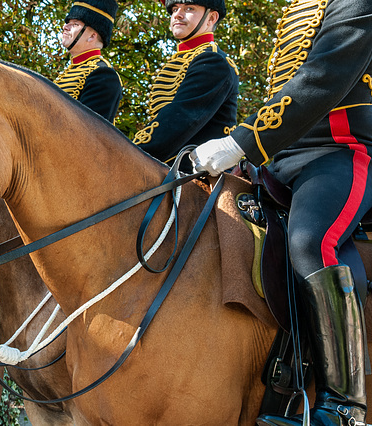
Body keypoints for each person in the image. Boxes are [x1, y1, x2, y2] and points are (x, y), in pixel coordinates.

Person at [190, 1, 372, 424]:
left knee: (311, 240)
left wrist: (241, 141)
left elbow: (324, 79)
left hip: (341, 151)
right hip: (279, 160)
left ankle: (345, 406)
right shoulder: (298, 8)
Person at [133, 0, 239, 167]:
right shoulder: (184, 59)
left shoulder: (213, 61)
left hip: (197, 175)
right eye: (175, 9)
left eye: (189, 8)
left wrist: (128, 152)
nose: (177, 14)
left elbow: (178, 121)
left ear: (211, 18)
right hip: (165, 167)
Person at [54, 0, 122, 123]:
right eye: (67, 22)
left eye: (74, 24)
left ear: (92, 36)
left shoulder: (103, 75)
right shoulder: (69, 71)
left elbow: (88, 133)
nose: (65, 27)